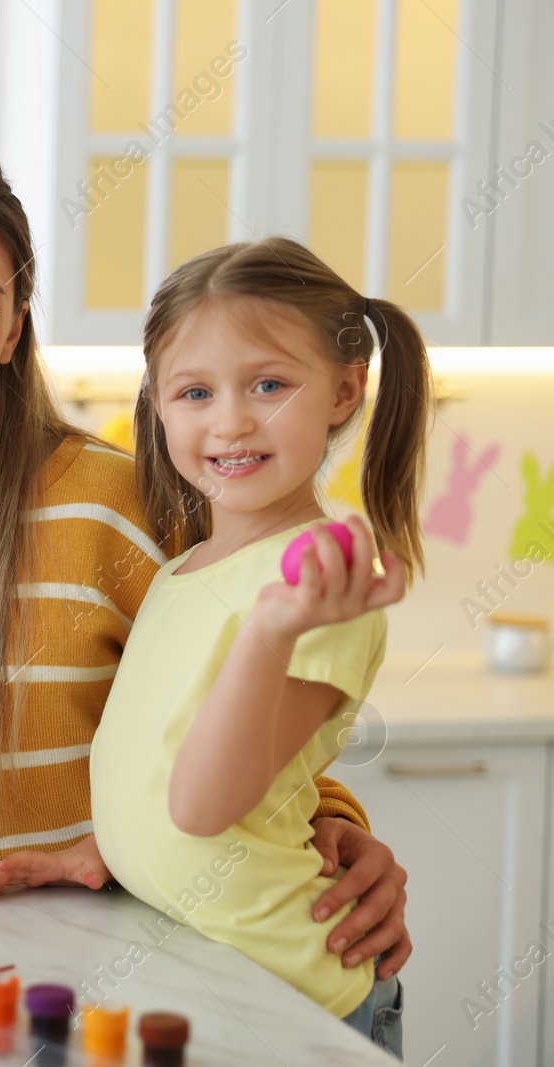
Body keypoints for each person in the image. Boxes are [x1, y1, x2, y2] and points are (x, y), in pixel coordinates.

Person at [0, 147, 412, 980]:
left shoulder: (114, 504)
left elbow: (235, 697)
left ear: (12, 330)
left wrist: (338, 819)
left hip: (93, 964)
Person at [90, 238, 426, 1055]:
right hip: (202, 969)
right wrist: (100, 848)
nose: (231, 420)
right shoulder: (182, 571)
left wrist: (274, 627)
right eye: (195, 391)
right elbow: (156, 762)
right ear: (160, 405)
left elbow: (204, 806)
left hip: (289, 991)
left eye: (269, 385)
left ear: (346, 391)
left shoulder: (317, 581)